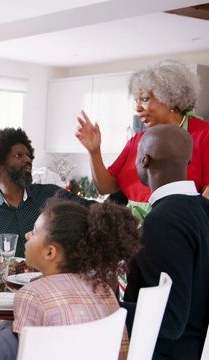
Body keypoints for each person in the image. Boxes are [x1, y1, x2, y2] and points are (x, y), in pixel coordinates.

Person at [75, 59, 209, 221]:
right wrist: (94, 151)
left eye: (144, 99)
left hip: (179, 226)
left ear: (171, 98)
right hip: (131, 232)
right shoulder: (138, 140)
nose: (137, 108)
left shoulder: (203, 134)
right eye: (136, 100)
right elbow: (105, 187)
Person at [13, 198, 142, 360]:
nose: (27, 235)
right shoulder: (103, 288)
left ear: (50, 253)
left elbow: (27, 355)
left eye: (34, 233)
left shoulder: (31, 296)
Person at [123, 124, 209, 359]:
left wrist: (103, 305)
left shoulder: (164, 220)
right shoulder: (202, 208)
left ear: (144, 161)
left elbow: (169, 320)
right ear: (188, 162)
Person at [0, 127, 91, 257]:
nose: (28, 160)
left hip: (49, 277)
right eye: (18, 155)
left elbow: (92, 210)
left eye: (28, 155)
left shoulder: (51, 194)